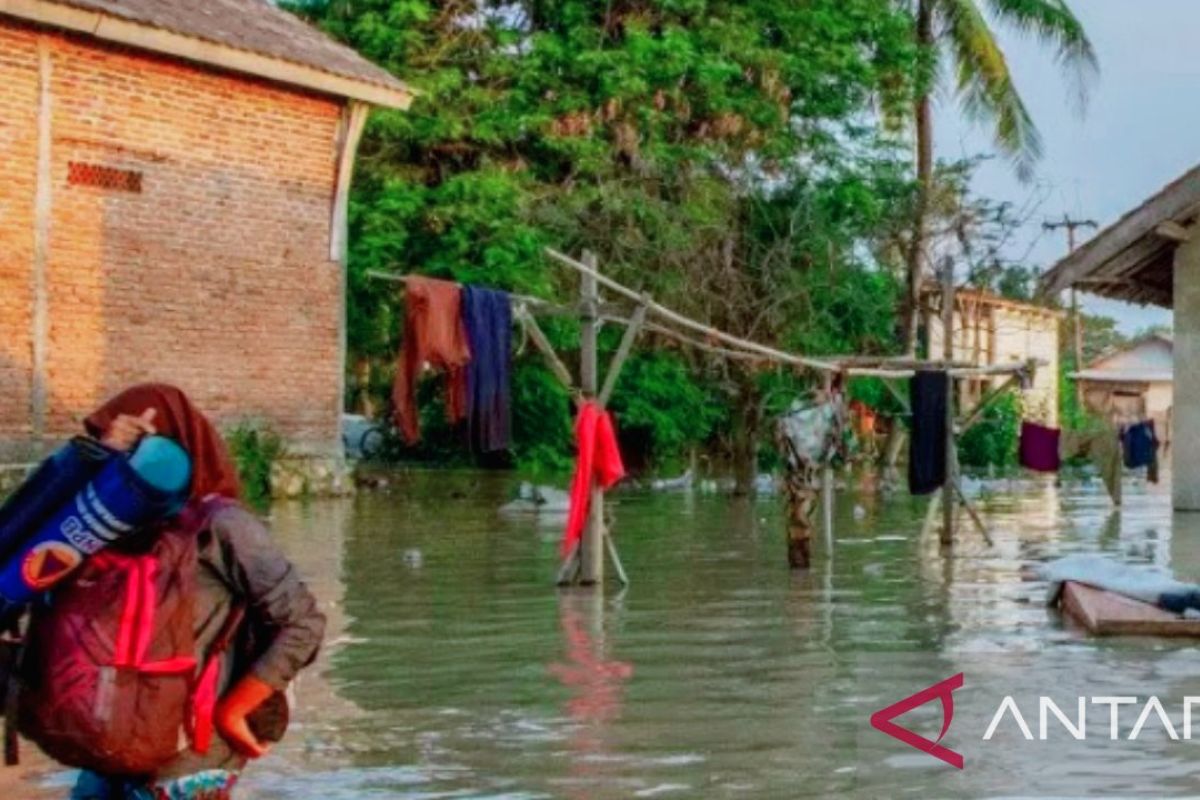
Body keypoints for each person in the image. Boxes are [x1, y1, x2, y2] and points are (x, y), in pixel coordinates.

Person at [33, 384, 325, 800]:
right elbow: (25, 547)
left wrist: (236, 709)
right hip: (108, 751)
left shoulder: (221, 525)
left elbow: (302, 622)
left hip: (189, 763)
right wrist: (88, 461)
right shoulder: (106, 528)